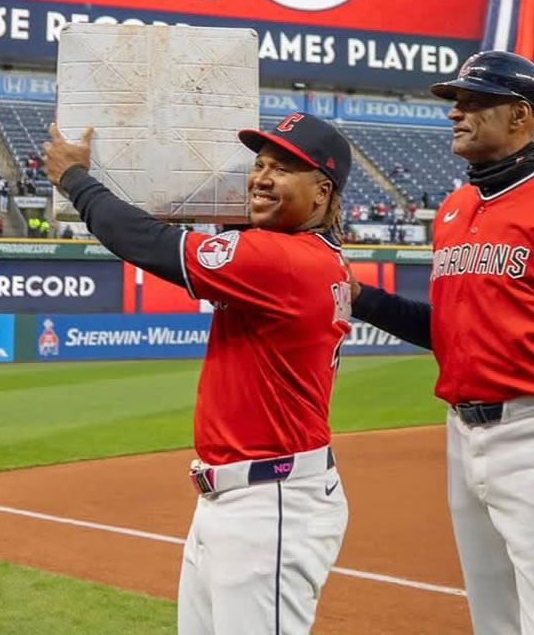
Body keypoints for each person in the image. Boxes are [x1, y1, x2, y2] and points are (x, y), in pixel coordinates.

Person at [348, 51, 534, 634]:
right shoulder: (454, 209)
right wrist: (361, 298)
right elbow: (451, 333)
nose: (456, 112)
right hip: (464, 435)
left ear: (521, 116)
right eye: (457, 101)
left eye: (474, 101)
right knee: (494, 620)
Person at [43, 113, 355, 634]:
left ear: (322, 192)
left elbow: (151, 245)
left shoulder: (282, 259)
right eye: (259, 165)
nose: (260, 177)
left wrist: (76, 179)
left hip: (271, 503)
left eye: (283, 168)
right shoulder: (305, 254)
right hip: (238, 497)